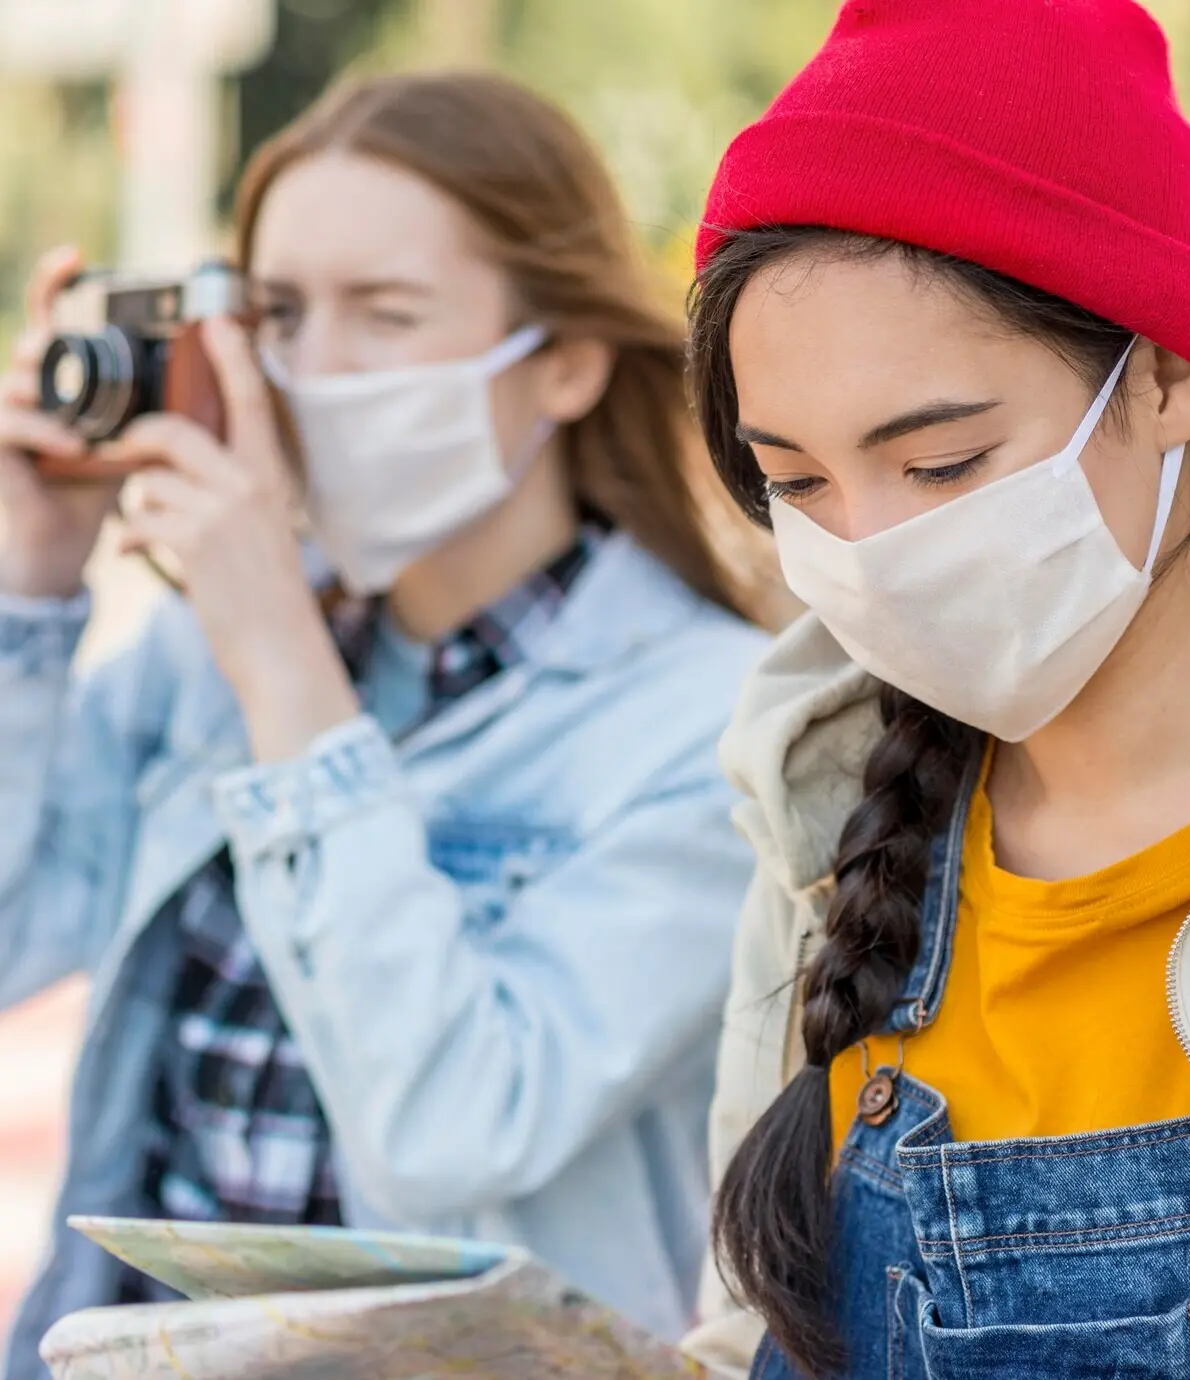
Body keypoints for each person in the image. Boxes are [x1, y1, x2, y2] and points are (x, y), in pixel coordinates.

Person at [0, 71, 766, 1378]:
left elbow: (461, 1124)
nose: (312, 372)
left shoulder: (712, 721)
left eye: (386, 314)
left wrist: (286, 674)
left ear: (567, 361)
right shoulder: (203, 652)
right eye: (281, 313)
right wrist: (32, 593)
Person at [678, 2, 1190, 1377]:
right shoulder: (814, 806)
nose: (871, 551)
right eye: (798, 483)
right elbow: (739, 1329)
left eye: (940, 467)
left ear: (1171, 369)